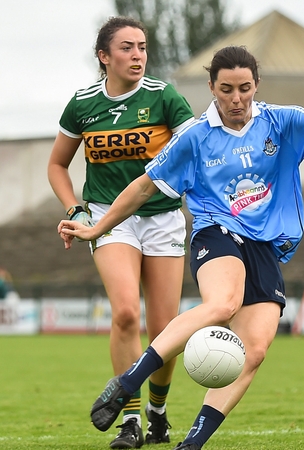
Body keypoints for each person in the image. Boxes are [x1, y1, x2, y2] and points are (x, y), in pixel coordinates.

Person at [59, 45, 304, 450]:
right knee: (223, 303)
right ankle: (128, 383)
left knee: (254, 352)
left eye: (244, 88)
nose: (236, 98)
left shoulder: (281, 122)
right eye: (226, 89)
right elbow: (142, 187)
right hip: (217, 233)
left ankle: (190, 445)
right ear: (211, 88)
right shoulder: (195, 138)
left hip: (266, 247)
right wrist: (96, 228)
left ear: (256, 86)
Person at [47, 16, 196, 449]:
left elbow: (195, 151)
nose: (138, 55)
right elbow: (57, 165)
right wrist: (75, 208)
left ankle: (158, 412)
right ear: (104, 56)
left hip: (164, 217)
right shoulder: (82, 104)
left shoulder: (164, 97)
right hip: (107, 218)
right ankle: (129, 420)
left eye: (143, 47)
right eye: (127, 48)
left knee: (164, 327)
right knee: (126, 313)